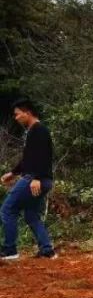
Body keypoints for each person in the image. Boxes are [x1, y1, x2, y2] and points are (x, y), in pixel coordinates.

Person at [1, 98, 56, 260]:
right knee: (31, 215)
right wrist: (12, 173)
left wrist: (36, 178)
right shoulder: (34, 131)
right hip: (41, 179)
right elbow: (28, 159)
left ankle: (9, 250)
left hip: (35, 179)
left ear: (27, 113)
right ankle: (47, 250)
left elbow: (43, 157)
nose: (16, 118)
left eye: (18, 114)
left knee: (7, 209)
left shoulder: (38, 130)